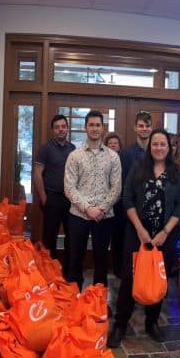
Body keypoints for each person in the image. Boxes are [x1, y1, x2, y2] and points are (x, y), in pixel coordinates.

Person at [108, 130, 180, 347]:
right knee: (129, 279)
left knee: (158, 280)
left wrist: (165, 232)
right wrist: (140, 230)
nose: (159, 148)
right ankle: (120, 324)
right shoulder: (138, 168)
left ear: (169, 148)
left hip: (164, 237)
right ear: (149, 146)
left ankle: (152, 322)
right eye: (155, 144)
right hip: (137, 234)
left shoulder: (176, 172)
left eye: (163, 144)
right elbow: (127, 198)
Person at [64, 110, 122, 290]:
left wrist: (101, 209)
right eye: (91, 125)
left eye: (98, 125)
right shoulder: (75, 155)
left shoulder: (113, 156)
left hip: (104, 216)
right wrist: (88, 208)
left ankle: (98, 304)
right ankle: (75, 302)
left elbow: (116, 187)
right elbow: (69, 187)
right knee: (75, 258)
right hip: (78, 215)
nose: (95, 128)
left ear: (103, 128)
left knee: (101, 260)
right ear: (85, 128)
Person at [34, 114, 76, 276]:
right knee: (49, 238)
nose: (61, 129)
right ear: (53, 130)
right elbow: (37, 174)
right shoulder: (45, 148)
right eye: (57, 127)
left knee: (71, 237)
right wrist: (44, 198)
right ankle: (49, 273)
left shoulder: (72, 149)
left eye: (63, 126)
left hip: (70, 200)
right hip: (51, 198)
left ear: (67, 128)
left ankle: (67, 273)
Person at [104, 133, 125, 282]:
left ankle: (119, 269)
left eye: (115, 143)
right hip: (104, 205)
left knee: (119, 239)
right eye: (110, 143)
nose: (113, 145)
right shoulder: (103, 161)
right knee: (105, 239)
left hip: (121, 205)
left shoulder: (124, 160)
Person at [120, 110, 153, 185]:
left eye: (147, 126)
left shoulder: (157, 151)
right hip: (133, 195)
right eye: (141, 126)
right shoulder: (125, 153)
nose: (144, 129)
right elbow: (124, 181)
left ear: (151, 128)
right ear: (135, 128)